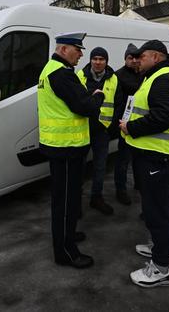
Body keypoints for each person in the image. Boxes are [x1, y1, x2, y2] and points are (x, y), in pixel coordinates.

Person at [119, 40, 169, 288]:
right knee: (155, 208)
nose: (137, 60)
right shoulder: (160, 75)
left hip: (159, 156)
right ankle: (160, 249)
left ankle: (161, 268)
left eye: (142, 57)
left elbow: (163, 117)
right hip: (155, 154)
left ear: (155, 56)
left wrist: (130, 127)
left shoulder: (164, 79)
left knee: (158, 211)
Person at [38, 32, 104, 269]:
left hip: (61, 147)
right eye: (78, 50)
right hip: (65, 149)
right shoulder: (62, 74)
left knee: (67, 199)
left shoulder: (50, 70)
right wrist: (98, 97)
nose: (81, 55)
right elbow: (84, 106)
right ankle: (66, 252)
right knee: (65, 202)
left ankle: (68, 234)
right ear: (64, 49)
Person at [76, 47, 123, 215]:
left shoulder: (114, 79)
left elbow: (118, 105)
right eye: (94, 58)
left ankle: (96, 198)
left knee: (100, 166)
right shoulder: (80, 76)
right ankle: (76, 203)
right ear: (90, 60)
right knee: (78, 167)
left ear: (106, 61)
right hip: (82, 129)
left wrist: (109, 127)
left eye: (101, 59)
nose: (97, 62)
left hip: (102, 131)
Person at [114, 44, 143, 204]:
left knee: (139, 158)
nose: (133, 60)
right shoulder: (119, 75)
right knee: (123, 160)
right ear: (125, 59)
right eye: (130, 57)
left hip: (141, 123)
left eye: (136, 57)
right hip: (124, 124)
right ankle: (121, 189)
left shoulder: (145, 74)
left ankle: (139, 184)